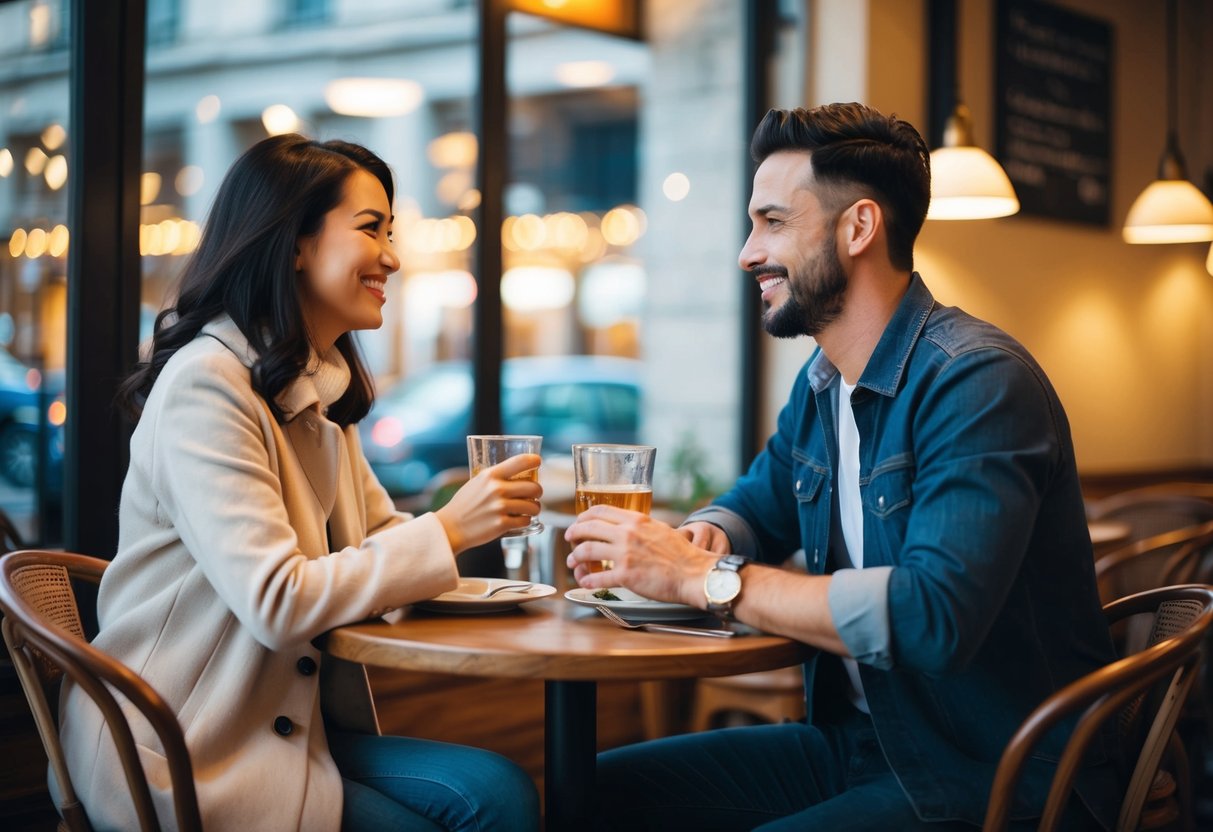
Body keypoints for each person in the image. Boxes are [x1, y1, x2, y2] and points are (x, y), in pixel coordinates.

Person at [565, 103, 1121, 831]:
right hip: (867, 744)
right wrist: (703, 538)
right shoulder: (824, 382)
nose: (746, 252)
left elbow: (932, 617)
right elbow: (757, 505)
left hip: (1001, 774)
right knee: (589, 793)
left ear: (858, 228)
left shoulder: (977, 382)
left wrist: (698, 578)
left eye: (771, 222)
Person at [56, 134, 541, 831]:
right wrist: (453, 527)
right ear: (293, 243)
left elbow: (376, 536)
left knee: (498, 791)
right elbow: (279, 600)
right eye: (370, 229)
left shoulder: (310, 385)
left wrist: (483, 563)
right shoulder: (207, 384)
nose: (393, 257)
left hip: (280, 729)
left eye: (390, 232)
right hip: (180, 748)